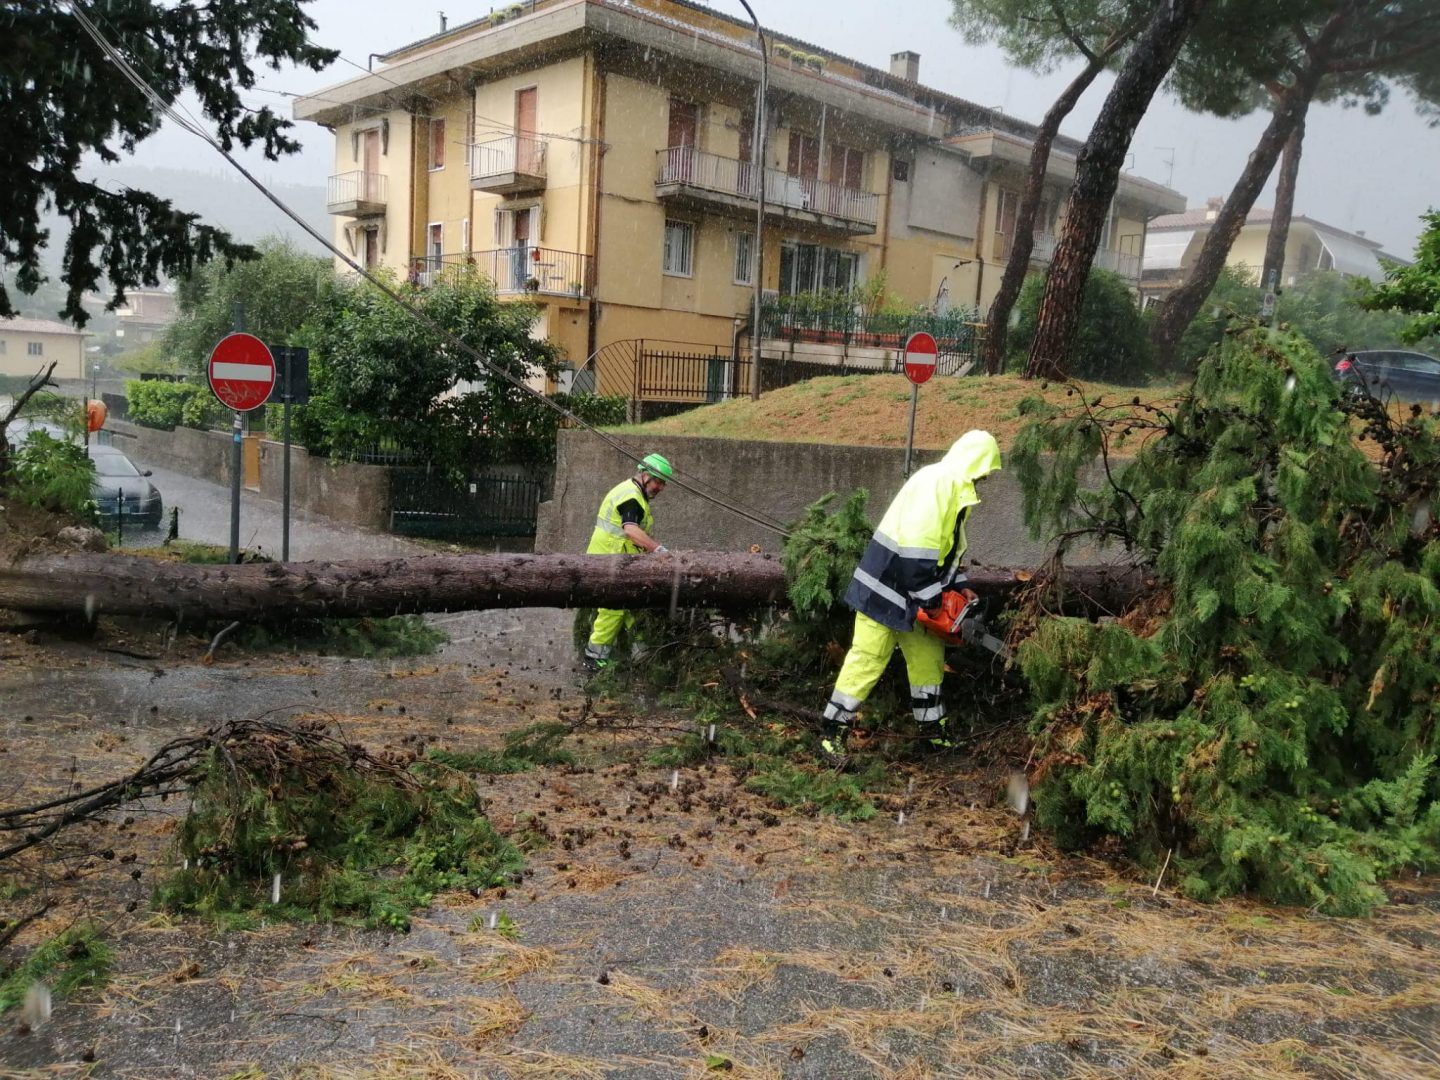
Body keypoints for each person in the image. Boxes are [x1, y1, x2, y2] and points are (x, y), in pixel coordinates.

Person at [820, 430, 1003, 763]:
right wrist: (934, 601)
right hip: (885, 590)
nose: (987, 477)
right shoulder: (938, 484)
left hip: (916, 594)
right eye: (986, 470)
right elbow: (916, 551)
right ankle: (832, 731)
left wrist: (958, 585)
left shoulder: (956, 489)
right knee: (867, 659)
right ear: (977, 462)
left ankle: (933, 735)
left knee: (928, 664)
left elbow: (945, 549)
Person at [583, 453, 675, 669]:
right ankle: (594, 659)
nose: (660, 487)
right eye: (658, 481)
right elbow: (631, 530)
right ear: (644, 475)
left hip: (616, 561)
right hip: (608, 562)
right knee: (613, 610)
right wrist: (658, 549)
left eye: (663, 484)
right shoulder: (631, 496)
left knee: (634, 609)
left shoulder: (633, 492)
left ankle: (647, 656)